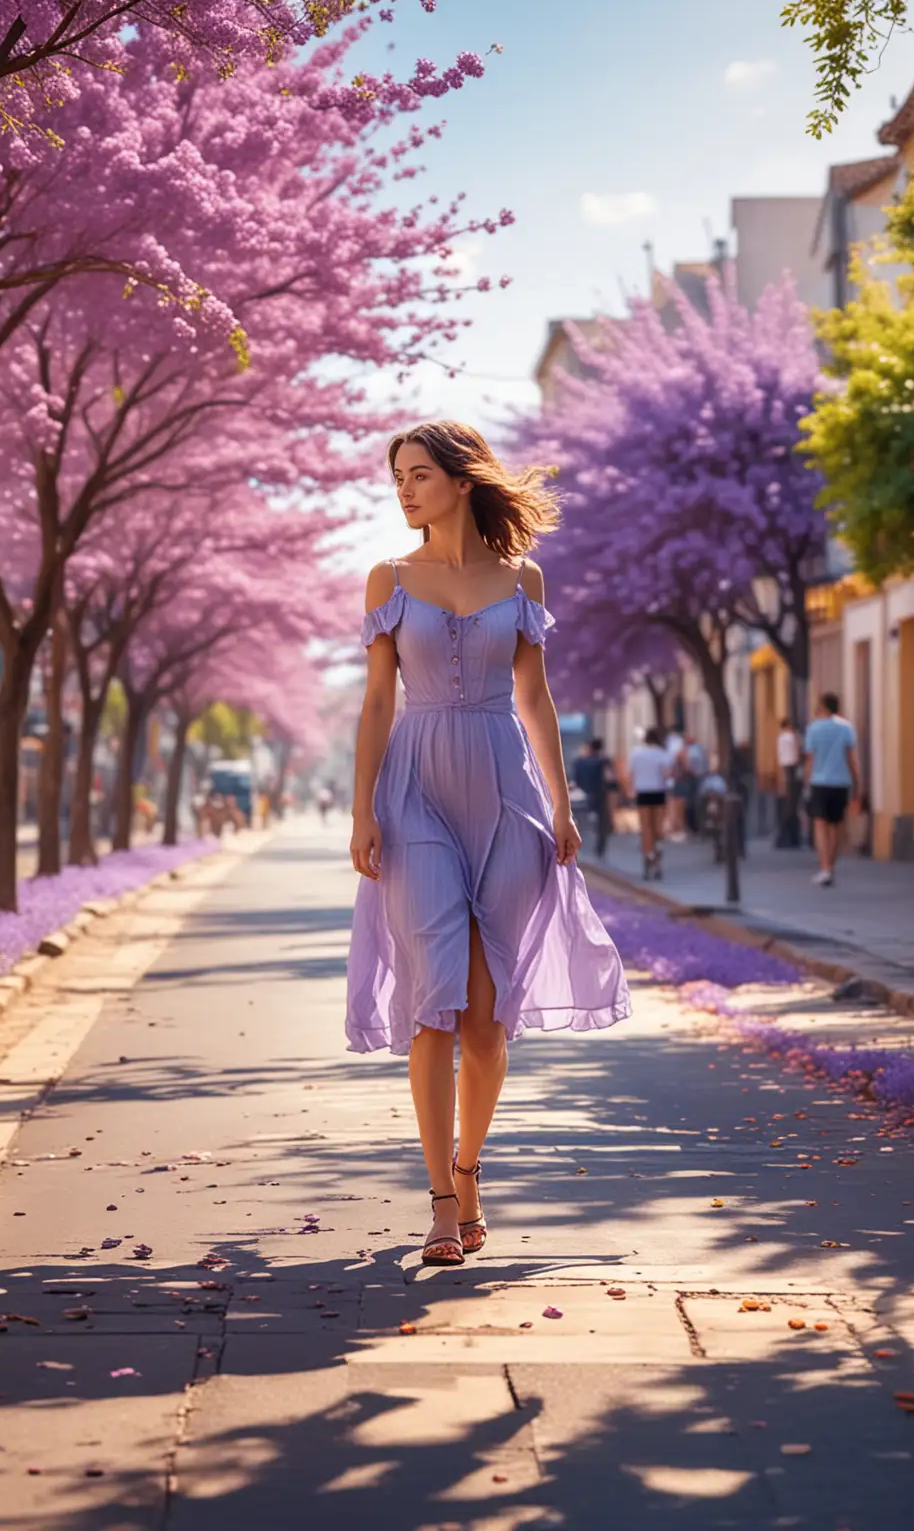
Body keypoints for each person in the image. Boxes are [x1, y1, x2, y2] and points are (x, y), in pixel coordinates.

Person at [347, 420, 631, 1269]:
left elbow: (537, 699)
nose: (403, 489)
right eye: (396, 476)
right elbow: (374, 704)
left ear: (463, 481)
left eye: (419, 474)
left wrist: (563, 803)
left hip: (509, 794)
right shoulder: (388, 578)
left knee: (484, 1016)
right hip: (417, 793)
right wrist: (363, 809)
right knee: (436, 995)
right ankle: (440, 1201)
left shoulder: (523, 577)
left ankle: (470, 1171)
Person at [804, 692, 860, 887]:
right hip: (841, 782)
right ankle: (830, 867)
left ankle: (825, 867)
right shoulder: (846, 727)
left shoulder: (814, 728)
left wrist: (806, 782)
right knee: (837, 826)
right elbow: (851, 758)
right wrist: (857, 782)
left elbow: (810, 759)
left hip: (819, 782)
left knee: (820, 825)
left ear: (823, 707)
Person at [626, 727, 673, 880]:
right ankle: (657, 859)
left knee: (646, 828)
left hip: (643, 792)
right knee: (658, 828)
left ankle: (648, 857)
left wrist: (631, 790)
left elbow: (631, 774)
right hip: (658, 792)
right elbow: (667, 774)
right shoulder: (662, 754)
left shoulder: (636, 753)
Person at [571, 738, 616, 859]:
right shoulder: (603, 761)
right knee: (602, 825)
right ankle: (599, 850)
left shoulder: (579, 761)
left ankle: (578, 850)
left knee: (579, 822)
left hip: (581, 796)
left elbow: (574, 781)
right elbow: (610, 778)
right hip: (599, 795)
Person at [775, 716, 803, 849]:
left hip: (786, 771)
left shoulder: (780, 738)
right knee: (793, 806)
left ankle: (786, 838)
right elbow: (798, 753)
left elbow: (780, 759)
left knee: (788, 806)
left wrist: (781, 781)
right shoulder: (793, 738)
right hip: (793, 770)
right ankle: (792, 838)